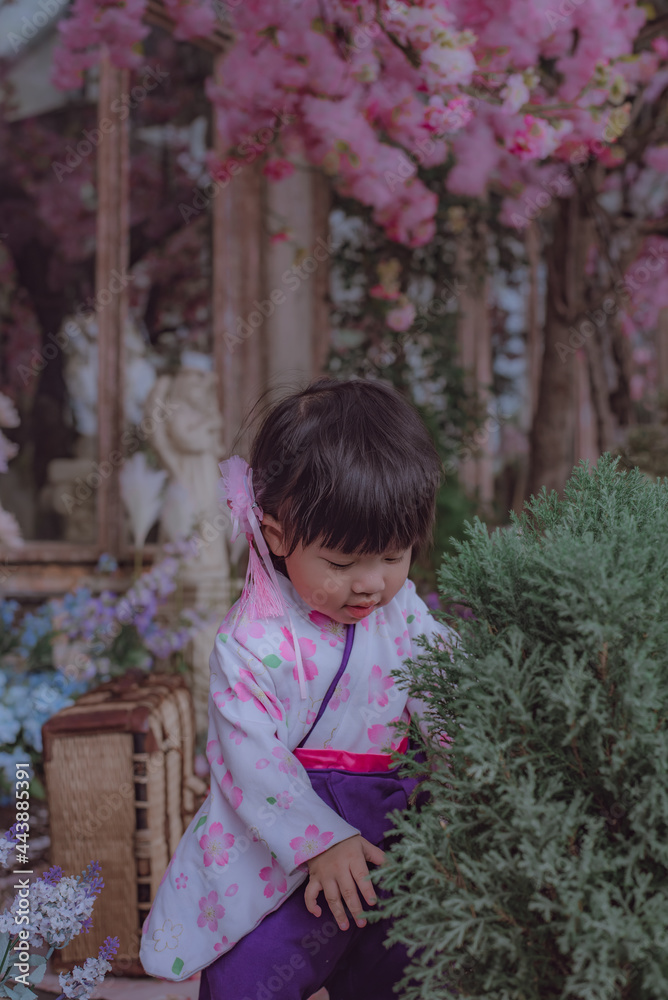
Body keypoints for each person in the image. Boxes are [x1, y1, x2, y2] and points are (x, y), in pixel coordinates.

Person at [139, 377, 456, 1000]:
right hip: (282, 841)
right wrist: (318, 839)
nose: (371, 585)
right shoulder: (252, 640)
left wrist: (470, 765)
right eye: (342, 564)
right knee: (254, 974)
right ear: (278, 535)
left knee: (396, 972)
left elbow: (443, 687)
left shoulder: (405, 615)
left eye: (394, 556)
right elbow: (249, 757)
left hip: (390, 834)